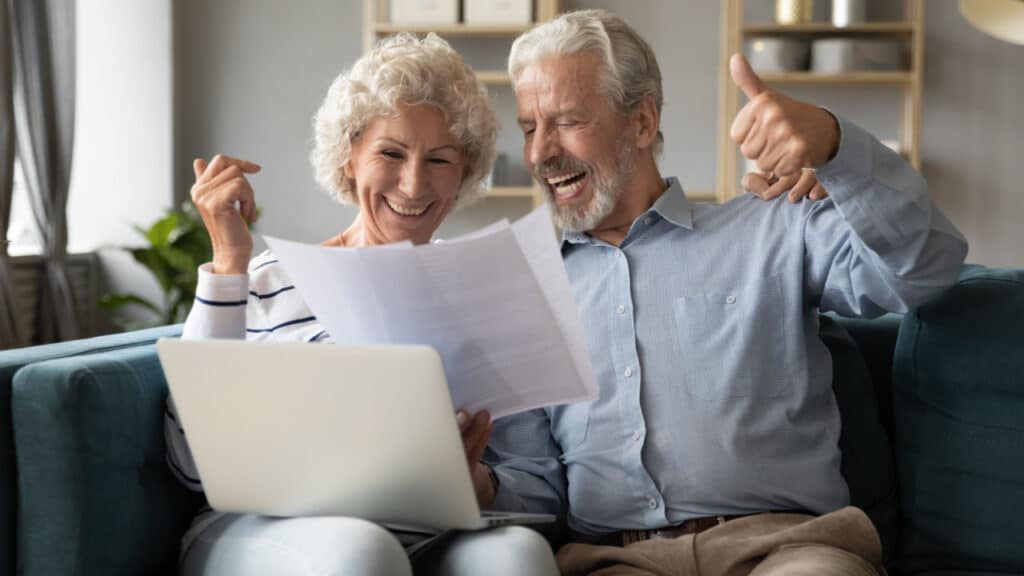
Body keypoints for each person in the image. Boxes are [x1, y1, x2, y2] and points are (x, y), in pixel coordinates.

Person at [476, 10, 969, 576]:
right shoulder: (527, 288)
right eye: (529, 128)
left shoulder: (775, 224)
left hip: (786, 549)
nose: (540, 153)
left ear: (641, 122)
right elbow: (535, 492)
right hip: (613, 560)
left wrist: (835, 147)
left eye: (564, 121)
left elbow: (928, 266)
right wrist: (478, 483)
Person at [162, 33, 559, 576]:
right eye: (390, 153)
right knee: (362, 553)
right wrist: (229, 261)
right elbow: (189, 462)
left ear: (463, 174)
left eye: (439, 159)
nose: (414, 183)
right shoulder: (264, 279)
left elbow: (539, 491)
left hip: (426, 533)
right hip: (265, 531)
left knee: (521, 556)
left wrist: (477, 482)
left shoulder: (482, 291)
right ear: (349, 158)